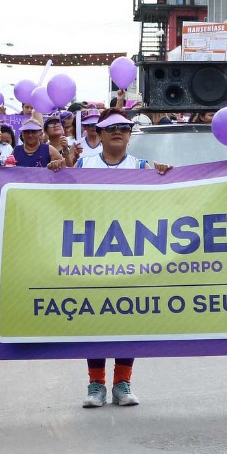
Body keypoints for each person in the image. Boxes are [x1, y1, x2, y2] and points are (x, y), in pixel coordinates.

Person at [74, 108, 172, 408]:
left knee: (127, 318)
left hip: (131, 254)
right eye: (111, 127)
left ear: (130, 135)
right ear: (99, 133)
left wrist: (167, 175)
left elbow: (164, 198)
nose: (118, 132)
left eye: (124, 128)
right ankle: (95, 384)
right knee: (95, 319)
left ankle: (122, 383)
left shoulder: (142, 166)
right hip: (92, 254)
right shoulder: (82, 164)